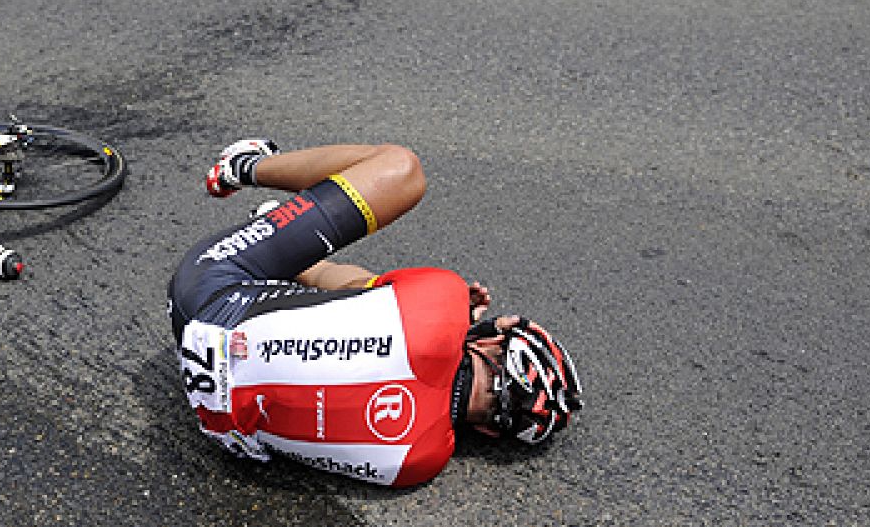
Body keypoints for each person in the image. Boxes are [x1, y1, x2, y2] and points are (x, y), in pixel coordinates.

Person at [167, 138, 581, 487]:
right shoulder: (421, 462)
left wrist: (455, 313)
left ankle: (243, 166)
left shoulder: (443, 298)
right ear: (491, 428)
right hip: (211, 402)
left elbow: (352, 291)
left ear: (494, 340)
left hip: (209, 287)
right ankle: (276, 241)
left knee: (402, 170)